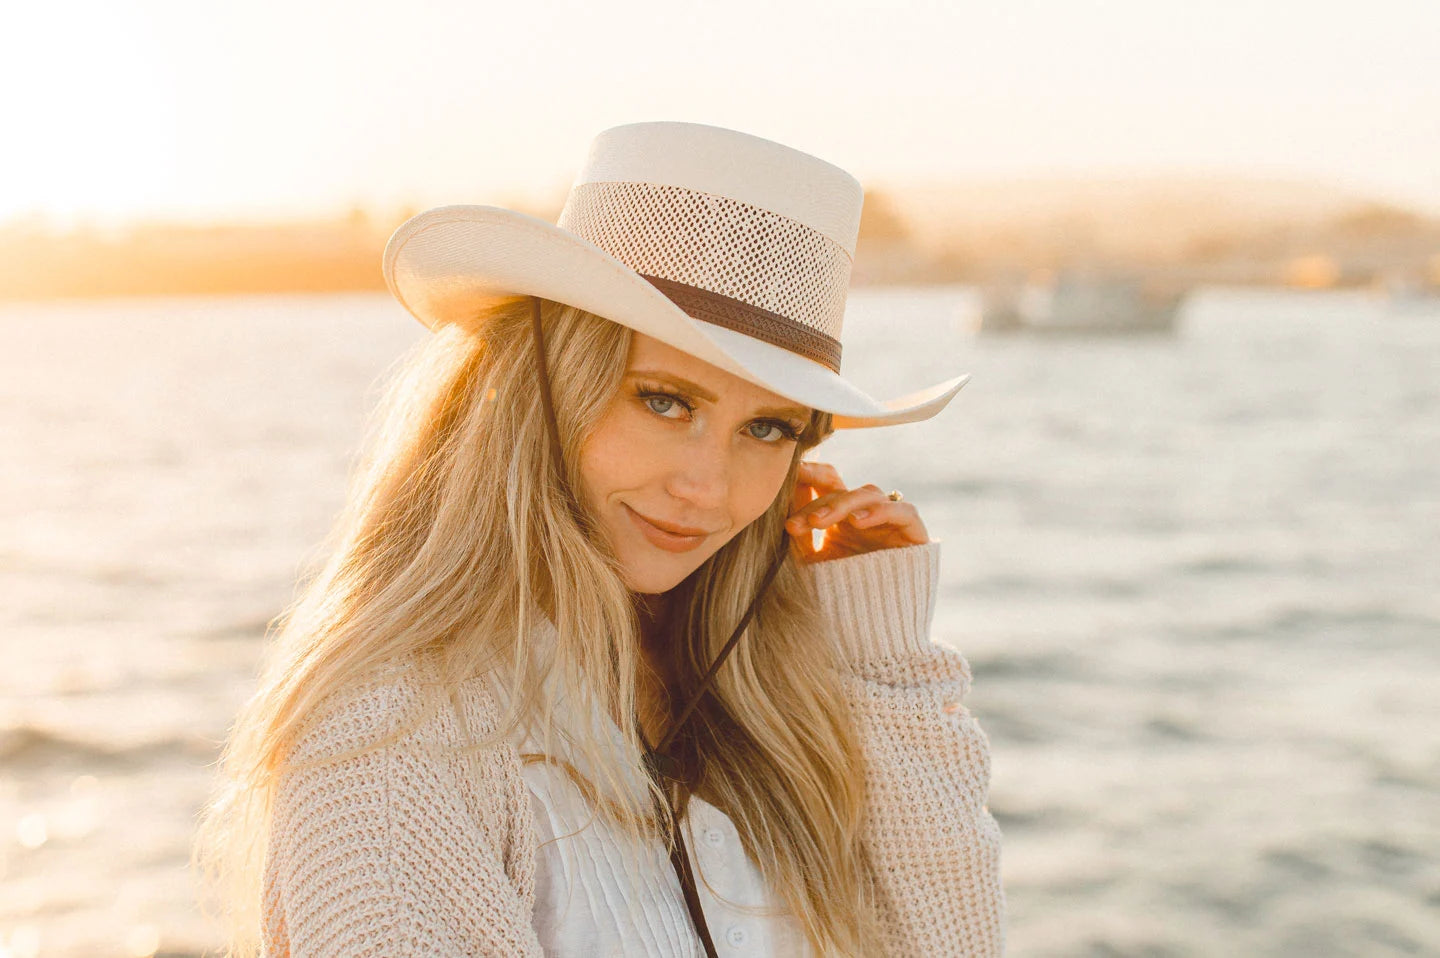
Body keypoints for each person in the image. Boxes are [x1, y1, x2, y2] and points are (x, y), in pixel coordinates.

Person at [193, 120, 1005, 957]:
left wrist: (879, 663)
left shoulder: (754, 695)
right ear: (543, 388)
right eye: (664, 401)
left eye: (767, 427)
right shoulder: (392, 733)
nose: (709, 487)